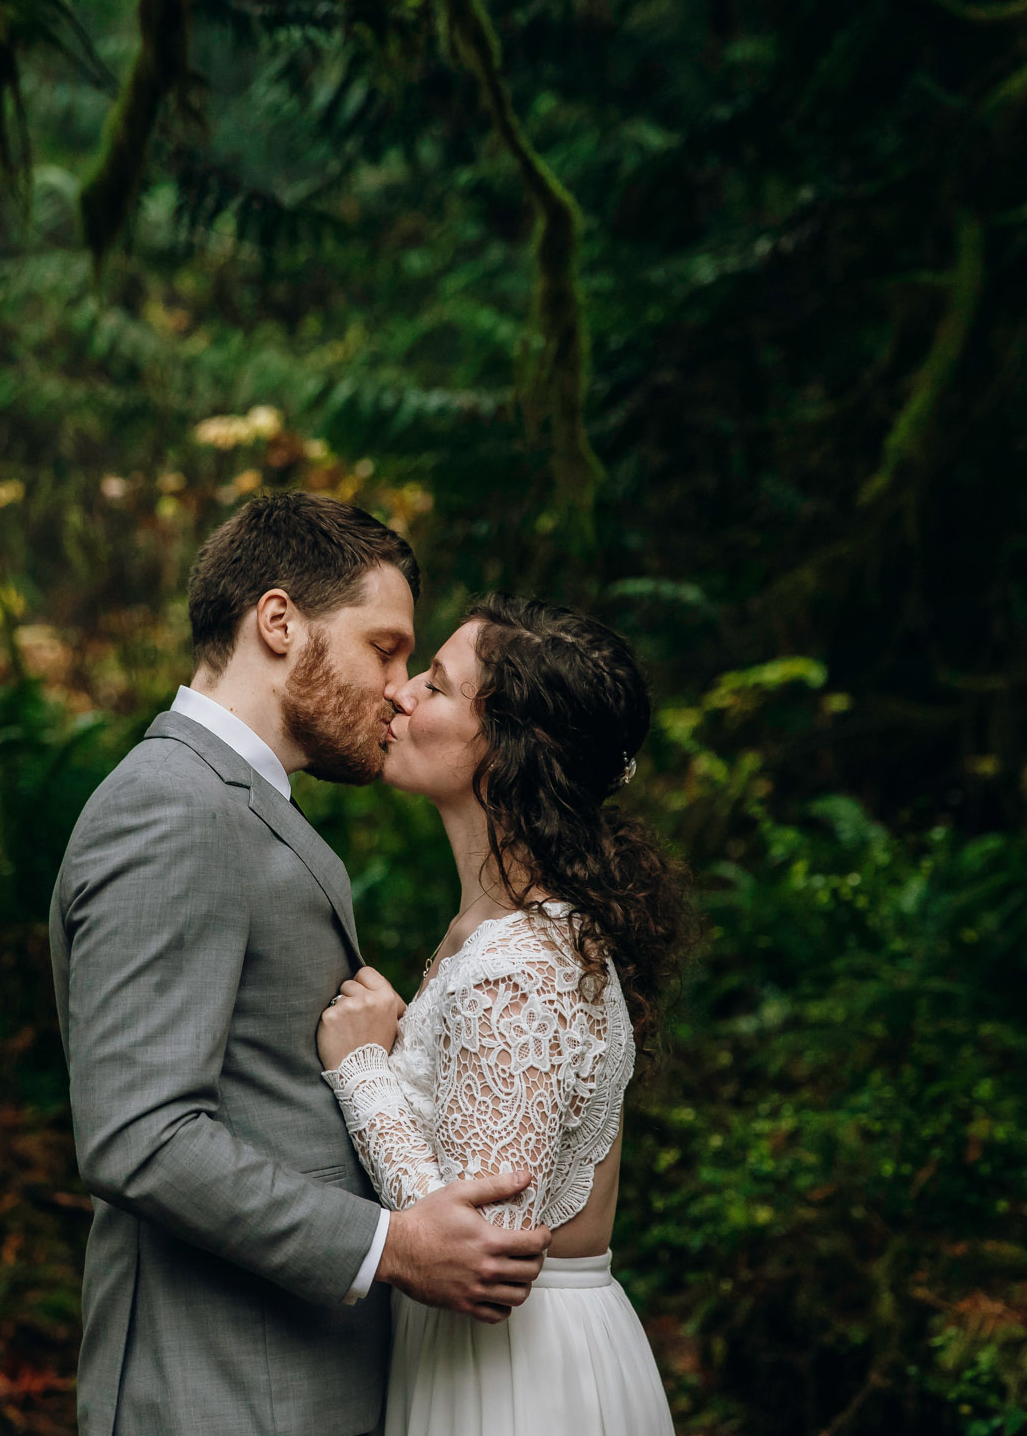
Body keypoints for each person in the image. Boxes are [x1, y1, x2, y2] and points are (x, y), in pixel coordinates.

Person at [49, 493, 554, 1436]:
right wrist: (389, 1246)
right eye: (386, 648)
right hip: (218, 1387)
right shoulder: (171, 808)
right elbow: (138, 1133)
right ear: (278, 622)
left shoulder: (236, 802)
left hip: (283, 1377)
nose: (401, 687)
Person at [316, 593, 694, 1436]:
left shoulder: (519, 960)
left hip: (516, 1382)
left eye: (438, 686)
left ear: (509, 751)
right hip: (492, 1362)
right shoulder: (498, 932)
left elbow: (488, 1254)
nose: (401, 694)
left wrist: (361, 1072)